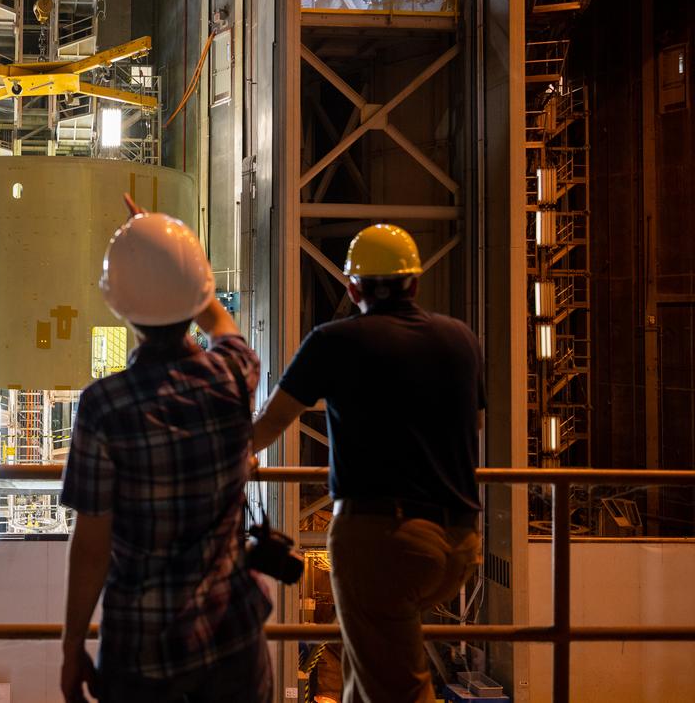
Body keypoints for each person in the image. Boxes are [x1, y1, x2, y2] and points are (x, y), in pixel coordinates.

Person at [250, 224, 484, 703]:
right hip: (459, 545)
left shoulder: (334, 341)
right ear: (414, 283)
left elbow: (271, 422)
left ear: (353, 287)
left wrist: (226, 454)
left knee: (398, 689)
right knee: (366, 671)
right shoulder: (461, 338)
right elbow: (474, 422)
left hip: (385, 544)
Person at [60, 203, 273, 703]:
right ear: (197, 291)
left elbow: (91, 545)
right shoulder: (235, 373)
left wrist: (72, 646)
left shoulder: (104, 405)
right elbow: (221, 324)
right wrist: (176, 257)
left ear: (119, 305)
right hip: (233, 638)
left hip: (141, 650)